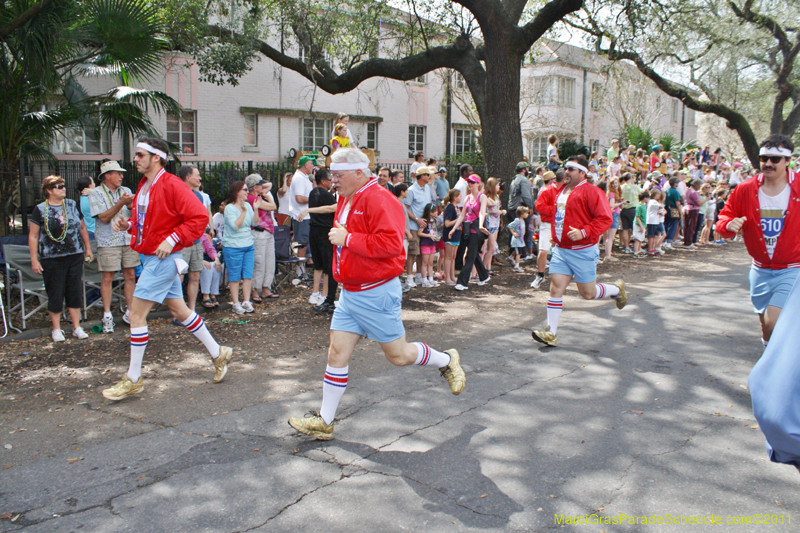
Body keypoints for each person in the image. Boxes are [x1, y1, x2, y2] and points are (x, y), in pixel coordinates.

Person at [287, 148, 465, 440]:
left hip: (376, 292)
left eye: (338, 175)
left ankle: (446, 360)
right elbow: (343, 217)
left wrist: (349, 239)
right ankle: (325, 420)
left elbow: (392, 246)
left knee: (399, 355)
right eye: (332, 174)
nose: (333, 180)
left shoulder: (381, 199)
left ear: (359, 173)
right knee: (336, 353)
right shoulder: (348, 196)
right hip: (350, 293)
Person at [102, 137, 232, 400]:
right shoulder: (145, 184)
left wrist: (172, 239)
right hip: (155, 258)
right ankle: (219, 353)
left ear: (156, 157)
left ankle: (134, 378)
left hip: (164, 259)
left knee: (136, 315)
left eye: (140, 155)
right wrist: (128, 226)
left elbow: (198, 218)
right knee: (180, 310)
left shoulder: (171, 183)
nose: (135, 159)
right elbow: (151, 219)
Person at [531, 156, 627, 347]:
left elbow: (605, 218)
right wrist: (556, 236)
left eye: (571, 169)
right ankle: (551, 332)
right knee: (556, 288)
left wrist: (584, 232)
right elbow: (559, 217)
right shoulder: (562, 191)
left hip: (583, 250)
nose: (566, 172)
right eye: (566, 168)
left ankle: (617, 290)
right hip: (561, 250)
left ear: (582, 172)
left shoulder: (593, 192)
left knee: (588, 294)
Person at [716, 134, 800, 346]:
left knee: (773, 321)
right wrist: (728, 225)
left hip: (792, 268)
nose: (768, 164)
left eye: (774, 159)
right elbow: (725, 215)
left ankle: (778, 370)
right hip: (760, 268)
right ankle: (769, 356)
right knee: (765, 327)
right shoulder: (746, 188)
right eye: (764, 159)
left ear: (787, 160)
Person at [29, 175, 93, 342]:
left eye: (64, 186)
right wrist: (34, 259)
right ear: (49, 190)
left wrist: (88, 248)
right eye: (59, 186)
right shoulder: (40, 209)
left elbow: (82, 227)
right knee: (56, 292)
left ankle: (76, 326)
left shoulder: (71, 205)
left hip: (74, 254)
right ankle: (56, 329)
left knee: (74, 291)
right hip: (52, 257)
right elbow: (34, 235)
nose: (63, 188)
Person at [88, 160, 138, 332]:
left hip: (127, 239)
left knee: (130, 275)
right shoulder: (95, 193)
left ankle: (130, 312)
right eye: (118, 173)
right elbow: (103, 217)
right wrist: (121, 203)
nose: (121, 176)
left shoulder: (126, 191)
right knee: (108, 277)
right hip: (108, 241)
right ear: (107, 175)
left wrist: (132, 206)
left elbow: (134, 213)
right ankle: (107, 315)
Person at [297, 168, 338, 313]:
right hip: (325, 232)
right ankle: (325, 295)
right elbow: (333, 208)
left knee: (318, 264)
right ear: (323, 181)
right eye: (329, 179)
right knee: (328, 265)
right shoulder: (327, 195)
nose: (332, 181)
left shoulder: (312, 192)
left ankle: (315, 292)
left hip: (313, 230)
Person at [449, 174, 490, 290]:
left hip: (476, 229)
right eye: (469, 182)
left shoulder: (482, 197)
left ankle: (462, 282)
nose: (470, 184)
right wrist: (453, 228)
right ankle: (484, 275)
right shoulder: (467, 197)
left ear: (478, 183)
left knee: (469, 256)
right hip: (467, 229)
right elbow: (462, 215)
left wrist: (481, 225)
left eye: (472, 182)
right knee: (473, 254)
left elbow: (482, 212)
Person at [223, 181, 259, 314]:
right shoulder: (229, 208)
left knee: (248, 275)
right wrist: (243, 211)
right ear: (237, 191)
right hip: (233, 246)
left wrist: (254, 209)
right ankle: (236, 303)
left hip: (248, 245)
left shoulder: (248, 206)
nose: (247, 192)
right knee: (234, 277)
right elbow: (235, 226)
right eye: (245, 190)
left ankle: (246, 301)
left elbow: (254, 222)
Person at [176, 165, 208, 314]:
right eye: (197, 175)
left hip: (196, 241)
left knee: (195, 275)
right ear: (188, 178)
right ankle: (179, 312)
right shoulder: (177, 194)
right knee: (179, 276)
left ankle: (192, 311)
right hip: (181, 242)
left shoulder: (199, 196)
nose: (200, 178)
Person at [244, 174, 278, 302]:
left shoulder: (259, 196)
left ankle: (265, 288)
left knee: (269, 261)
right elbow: (273, 207)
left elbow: (269, 184)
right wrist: (268, 196)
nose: (263, 187)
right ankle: (255, 290)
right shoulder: (252, 198)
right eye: (259, 185)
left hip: (268, 231)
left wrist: (262, 190)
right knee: (259, 262)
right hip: (259, 233)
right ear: (254, 187)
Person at [402, 165, 436, 289]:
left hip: (425, 226)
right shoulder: (411, 190)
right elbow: (405, 208)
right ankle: (409, 277)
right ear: (422, 176)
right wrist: (416, 219)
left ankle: (420, 277)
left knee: (422, 252)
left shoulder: (427, 188)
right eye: (428, 175)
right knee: (413, 252)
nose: (430, 177)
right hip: (413, 226)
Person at [482, 177, 505, 274]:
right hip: (490, 223)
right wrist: (496, 211)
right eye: (496, 185)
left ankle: (488, 268)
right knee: (491, 248)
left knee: (492, 247)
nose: (498, 186)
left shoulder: (496, 197)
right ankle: (483, 269)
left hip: (496, 223)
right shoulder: (488, 197)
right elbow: (487, 210)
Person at [442, 189, 461, 285]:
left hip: (457, 234)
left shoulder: (456, 207)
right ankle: (447, 277)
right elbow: (447, 223)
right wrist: (459, 219)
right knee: (448, 256)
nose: (461, 198)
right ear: (455, 197)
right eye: (459, 196)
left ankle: (452, 276)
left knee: (453, 256)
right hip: (450, 235)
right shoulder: (450, 207)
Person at [619, 173, 641, 254]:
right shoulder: (635, 187)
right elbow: (642, 193)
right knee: (635, 228)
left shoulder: (621, 187)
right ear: (631, 178)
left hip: (624, 209)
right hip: (633, 209)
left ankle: (627, 247)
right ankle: (637, 247)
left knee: (625, 228)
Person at [683, 179, 706, 250]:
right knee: (691, 226)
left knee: (686, 225)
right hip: (693, 209)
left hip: (687, 208)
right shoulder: (694, 192)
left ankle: (686, 240)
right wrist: (706, 199)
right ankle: (689, 242)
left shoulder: (688, 190)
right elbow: (698, 203)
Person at [507, 206, 529, 272]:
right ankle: (516, 266)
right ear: (522, 214)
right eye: (526, 213)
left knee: (518, 251)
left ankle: (510, 257)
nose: (527, 214)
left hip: (521, 240)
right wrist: (513, 233)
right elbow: (509, 226)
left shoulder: (522, 221)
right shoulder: (517, 221)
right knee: (519, 253)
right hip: (517, 240)